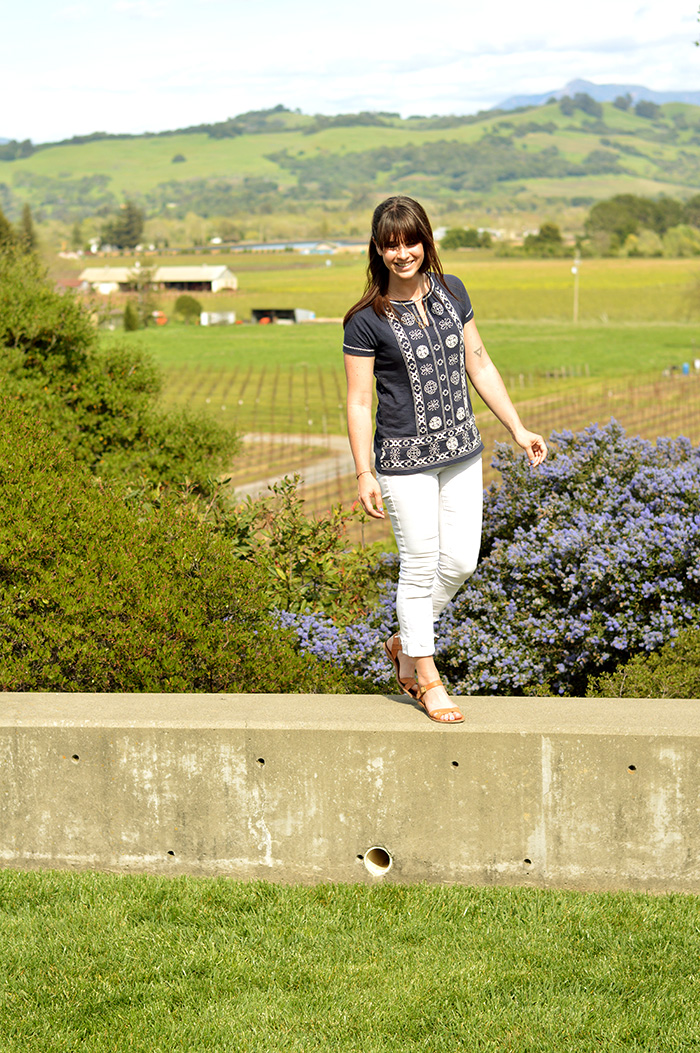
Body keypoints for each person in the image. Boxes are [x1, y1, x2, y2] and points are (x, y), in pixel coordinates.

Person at [343, 196, 547, 724]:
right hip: (402, 460)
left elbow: (479, 362)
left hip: (461, 452)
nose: (402, 253)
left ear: (426, 241)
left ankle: (403, 644)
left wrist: (517, 428)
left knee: (459, 561)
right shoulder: (364, 321)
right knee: (419, 565)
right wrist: (364, 470)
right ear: (378, 250)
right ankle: (426, 678)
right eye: (390, 244)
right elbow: (359, 400)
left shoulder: (453, 291)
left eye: (410, 241)